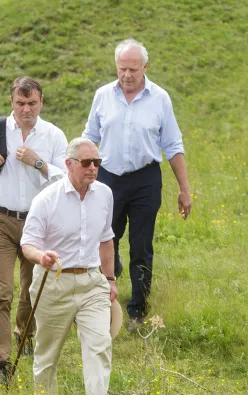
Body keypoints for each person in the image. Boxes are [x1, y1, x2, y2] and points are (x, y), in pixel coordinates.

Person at [82, 38, 192, 332]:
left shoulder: (160, 98)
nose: (127, 75)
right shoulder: (103, 96)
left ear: (145, 67)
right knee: (107, 240)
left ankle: (137, 312)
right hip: (108, 179)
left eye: (133, 69)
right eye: (121, 69)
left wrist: (184, 189)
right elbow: (89, 137)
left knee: (141, 246)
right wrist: (82, 176)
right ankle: (104, 298)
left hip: (145, 179)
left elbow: (173, 144)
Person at [0, 77, 67, 386]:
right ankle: (1, 363)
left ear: (41, 103)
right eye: (21, 103)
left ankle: (25, 334)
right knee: (0, 293)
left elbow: (66, 173)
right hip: (0, 220)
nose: (26, 109)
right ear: (12, 103)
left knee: (30, 290)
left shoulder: (52, 134)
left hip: (37, 223)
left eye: (32, 103)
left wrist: (39, 163)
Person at [21, 137, 117, 395]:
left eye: (97, 163)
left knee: (99, 346)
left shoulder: (105, 195)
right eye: (86, 163)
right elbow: (28, 244)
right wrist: (42, 257)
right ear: (69, 164)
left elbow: (106, 239)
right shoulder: (46, 200)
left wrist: (110, 280)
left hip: (91, 282)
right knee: (47, 355)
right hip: (53, 283)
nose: (92, 168)